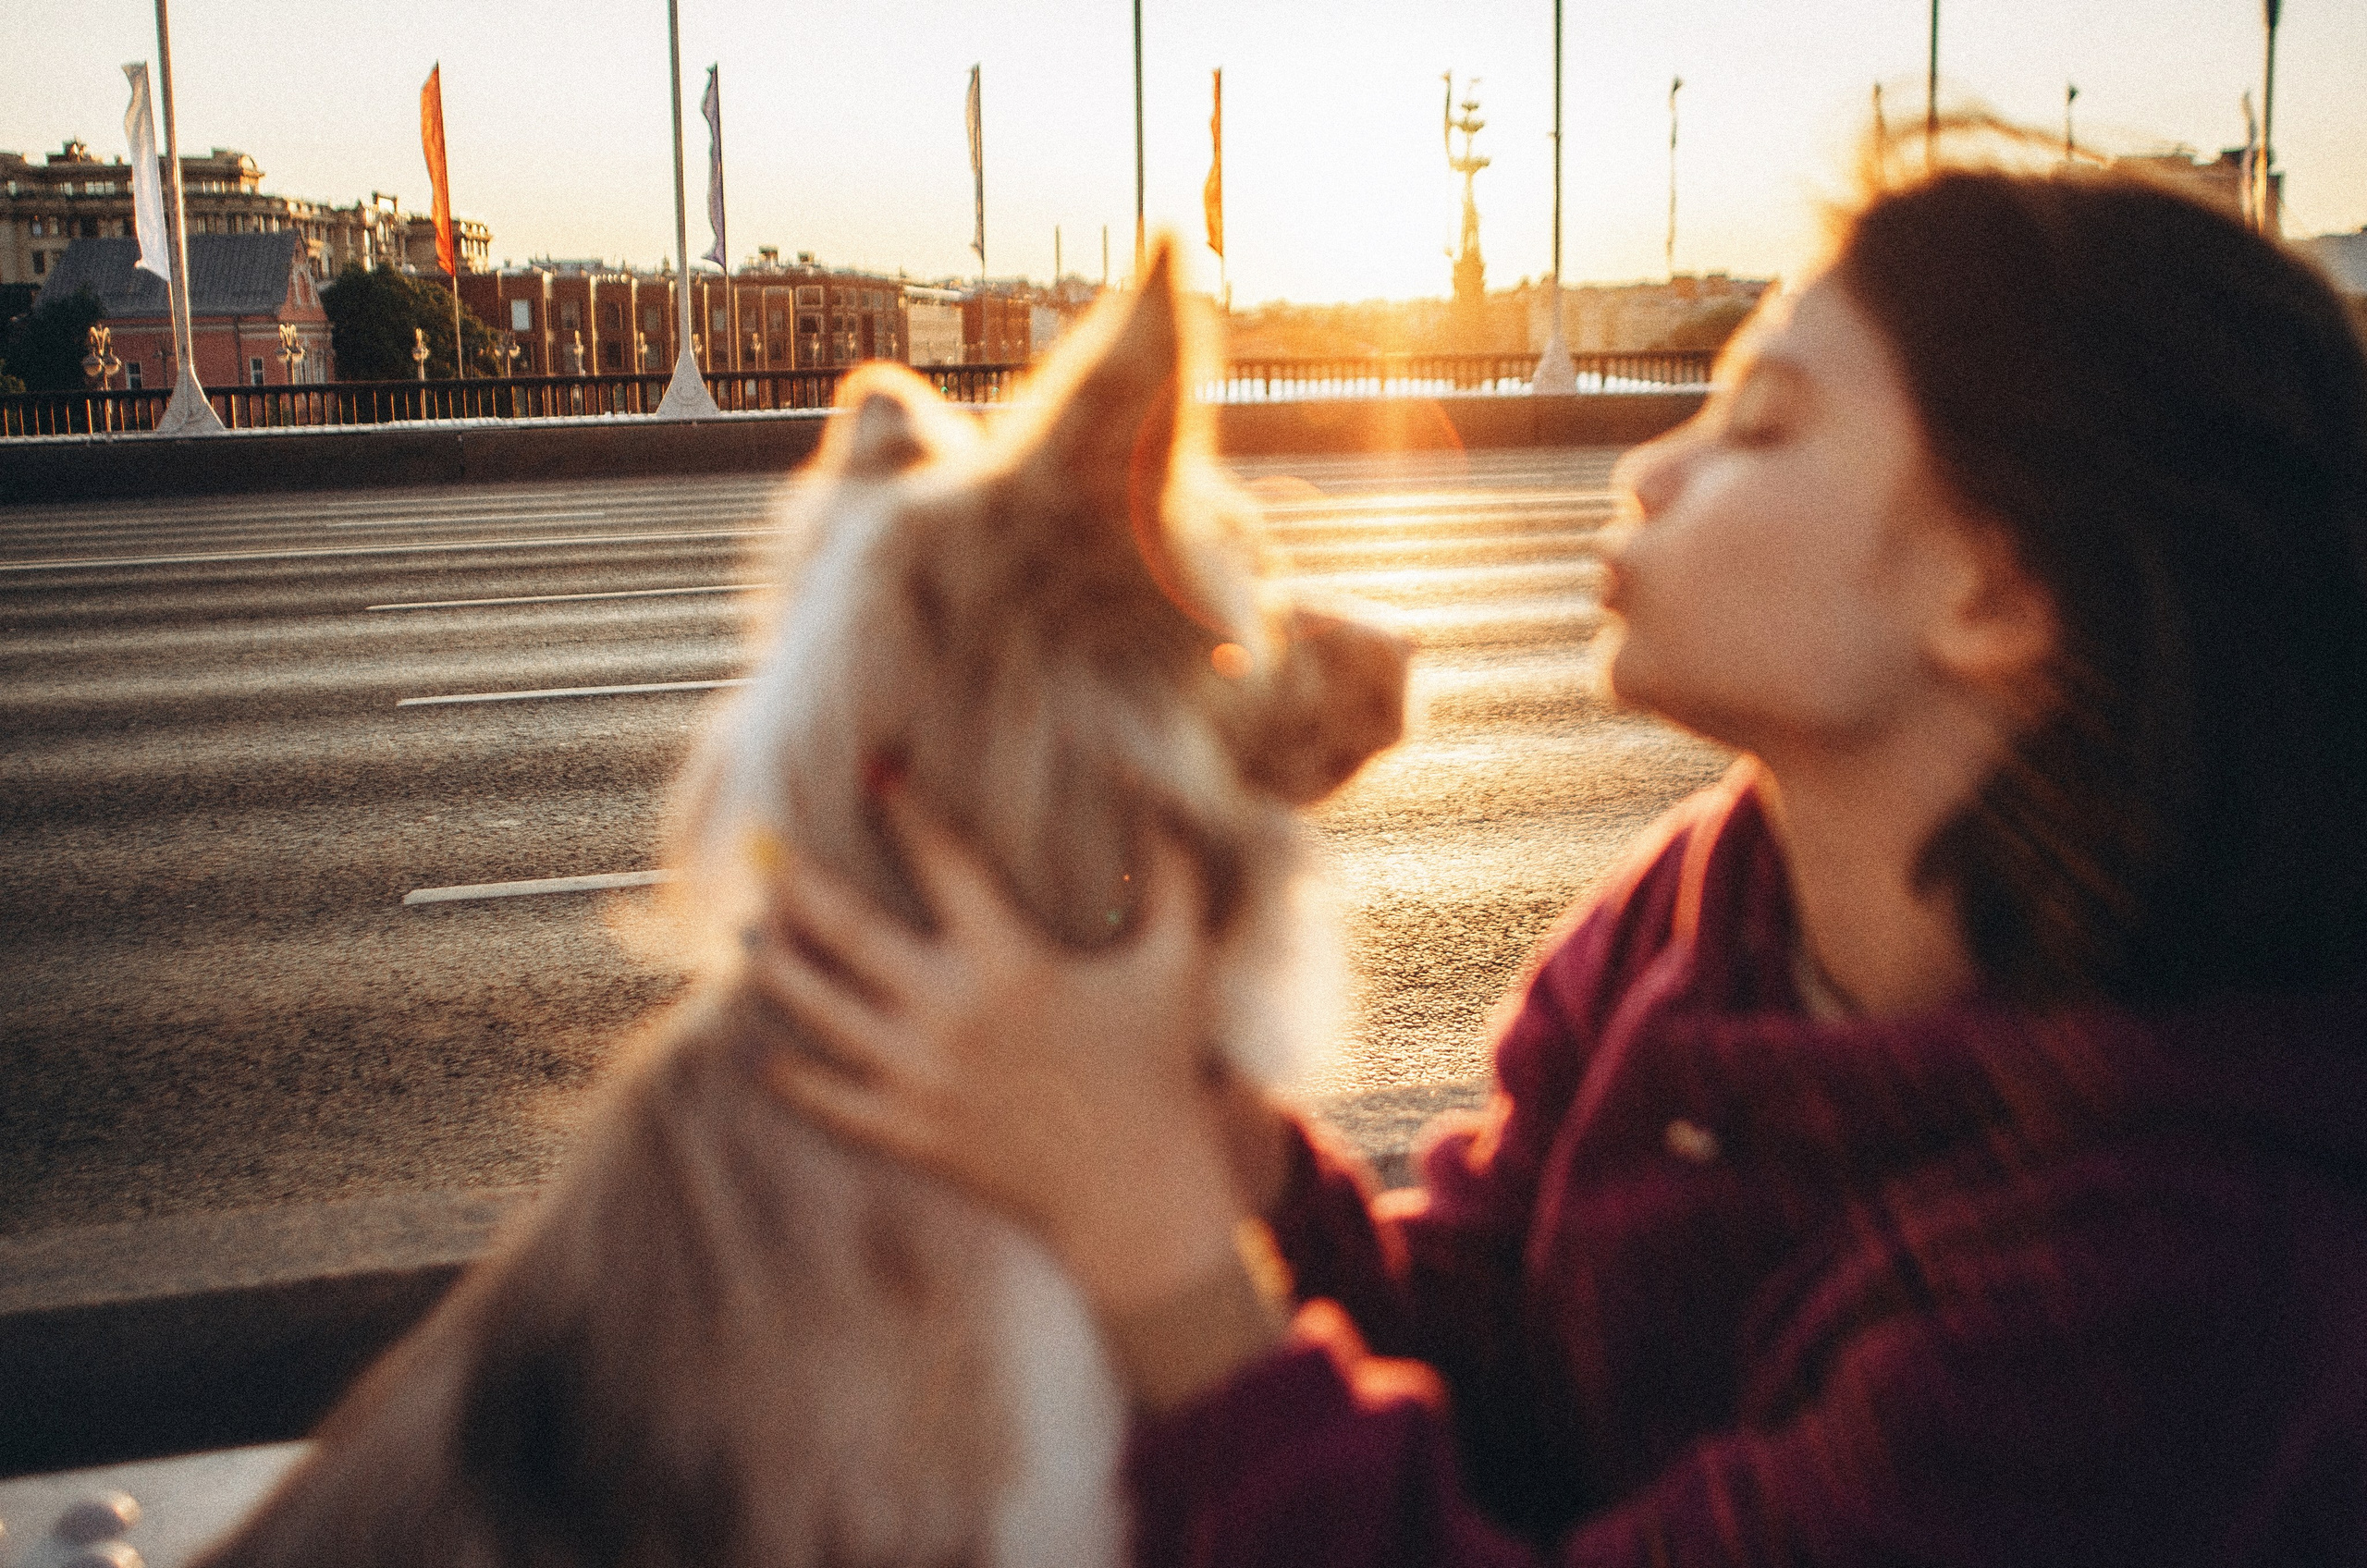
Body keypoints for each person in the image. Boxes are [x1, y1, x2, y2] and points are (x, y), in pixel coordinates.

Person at [754, 152, 2367, 1564]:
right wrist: (1219, 1148)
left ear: (1997, 597)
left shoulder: (2176, 1281)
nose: (1649, 468)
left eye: (1763, 424)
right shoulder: (1707, 906)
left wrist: (1154, 1237)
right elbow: (1485, 1368)